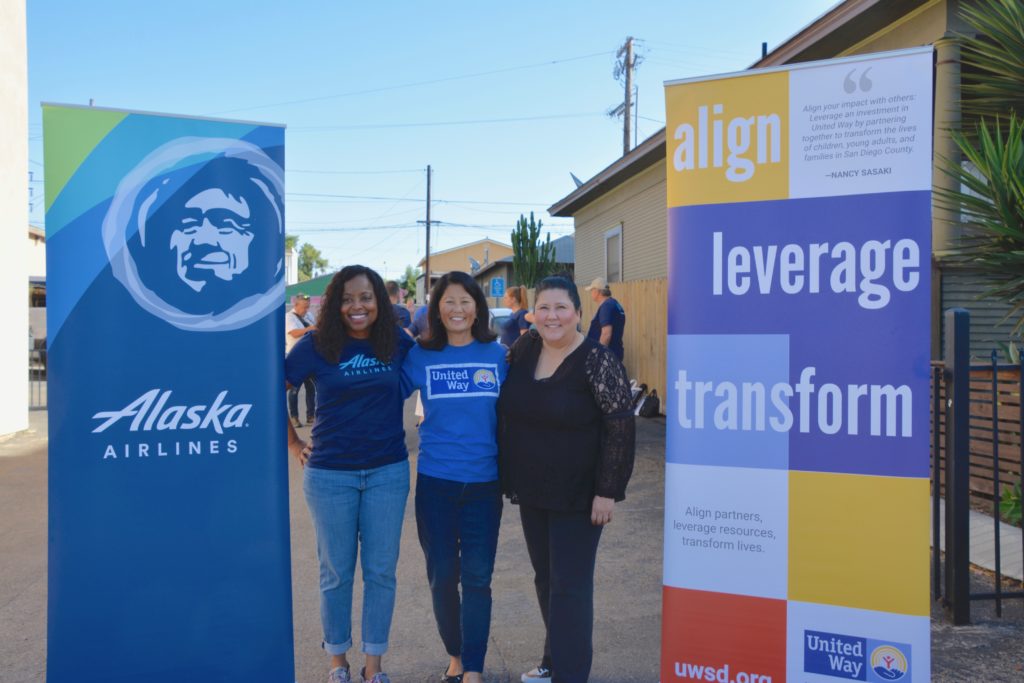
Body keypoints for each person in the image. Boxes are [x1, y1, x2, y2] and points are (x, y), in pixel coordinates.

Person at [498, 275, 635, 683]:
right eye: (544, 307)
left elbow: (621, 426)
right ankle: (554, 659)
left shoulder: (597, 359)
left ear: (578, 312)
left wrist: (607, 491)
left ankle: (571, 674)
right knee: (546, 579)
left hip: (580, 494)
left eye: (561, 308)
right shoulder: (524, 349)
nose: (552, 316)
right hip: (533, 489)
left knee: (570, 586)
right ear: (532, 312)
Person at [285, 265, 414, 683]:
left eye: (365, 298)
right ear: (335, 304)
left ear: (379, 301)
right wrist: (292, 443)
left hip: (387, 472)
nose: (357, 306)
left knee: (380, 571)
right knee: (336, 573)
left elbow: (438, 362)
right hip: (329, 475)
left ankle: (374, 667)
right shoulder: (317, 345)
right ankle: (337, 663)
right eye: (347, 299)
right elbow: (271, 386)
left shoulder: (396, 341)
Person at [401, 271, 508, 683]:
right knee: (442, 577)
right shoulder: (420, 356)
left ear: (477, 307)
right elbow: (380, 394)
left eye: (466, 301)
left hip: (484, 485)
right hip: (436, 484)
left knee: (478, 578)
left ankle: (474, 669)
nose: (458, 309)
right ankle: (455, 654)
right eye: (449, 302)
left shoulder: (497, 356)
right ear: (436, 309)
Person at [286, 294, 317, 428]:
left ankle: (311, 416)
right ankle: (294, 418)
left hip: (311, 358)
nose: (306, 310)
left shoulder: (309, 316)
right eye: (304, 307)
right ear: (296, 305)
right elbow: (293, 333)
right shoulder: (289, 317)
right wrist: (309, 329)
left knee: (311, 388)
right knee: (294, 389)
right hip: (295, 359)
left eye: (308, 307)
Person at [584, 277, 625, 361]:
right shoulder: (614, 303)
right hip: (614, 354)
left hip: (606, 357)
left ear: (597, 291)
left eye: (592, 290)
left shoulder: (606, 306)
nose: (591, 293)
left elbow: (606, 334)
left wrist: (598, 356)